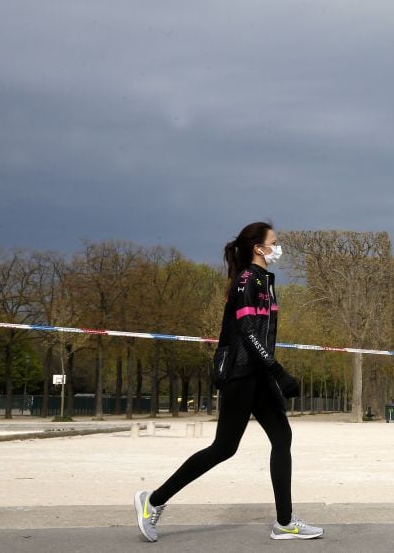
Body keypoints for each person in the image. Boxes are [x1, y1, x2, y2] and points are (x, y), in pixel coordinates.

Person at [133, 221, 324, 542]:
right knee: (223, 448)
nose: (278, 248)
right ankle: (153, 501)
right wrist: (279, 371)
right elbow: (249, 333)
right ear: (258, 248)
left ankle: (285, 521)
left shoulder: (263, 280)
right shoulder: (247, 281)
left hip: (258, 372)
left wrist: (271, 372)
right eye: (274, 243)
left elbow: (259, 333)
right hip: (241, 374)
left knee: (282, 437)